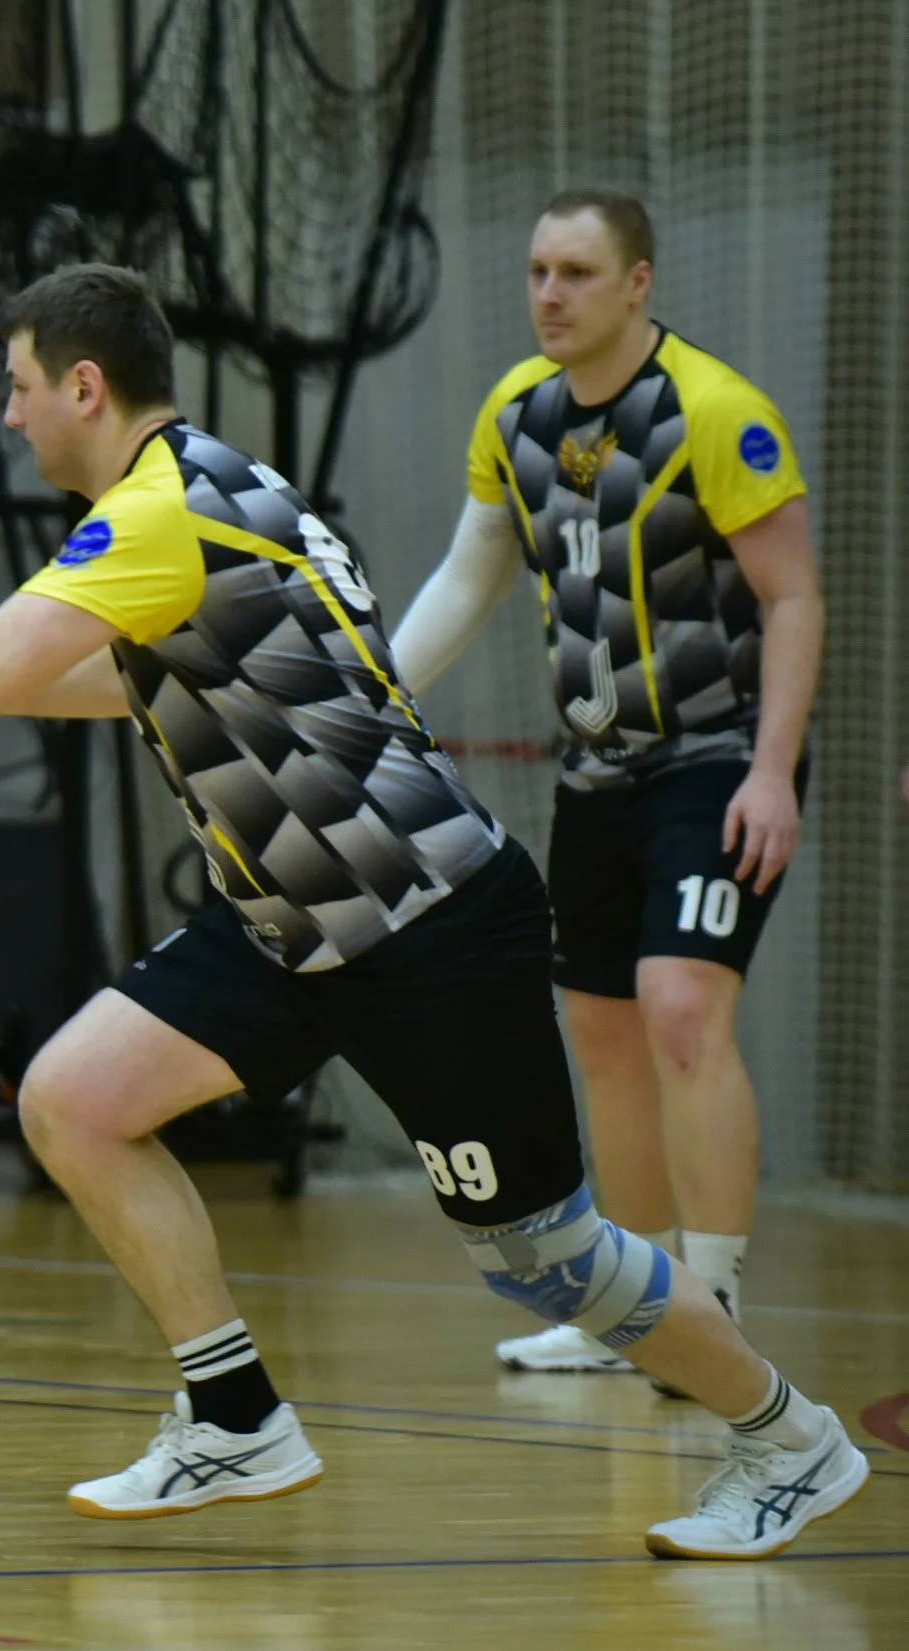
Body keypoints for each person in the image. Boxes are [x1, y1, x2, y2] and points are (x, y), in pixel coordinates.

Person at [0, 264, 866, 1559]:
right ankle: (236, 1416)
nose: (11, 412)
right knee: (73, 1098)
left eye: (21, 386)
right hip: (288, 922)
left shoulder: (154, 512)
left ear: (84, 386)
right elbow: (144, 675)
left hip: (423, 920)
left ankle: (790, 1439)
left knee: (547, 1259)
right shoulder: (222, 479)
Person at [391, 188, 822, 1382]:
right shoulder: (514, 414)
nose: (548, 294)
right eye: (537, 270)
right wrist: (374, 693)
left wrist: (772, 771)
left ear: (637, 282)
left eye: (576, 272)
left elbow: (793, 595)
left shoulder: (713, 410)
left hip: (718, 759)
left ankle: (712, 1306)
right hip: (594, 772)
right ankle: (643, 1311)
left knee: (679, 1007)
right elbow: (469, 575)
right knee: (601, 1029)